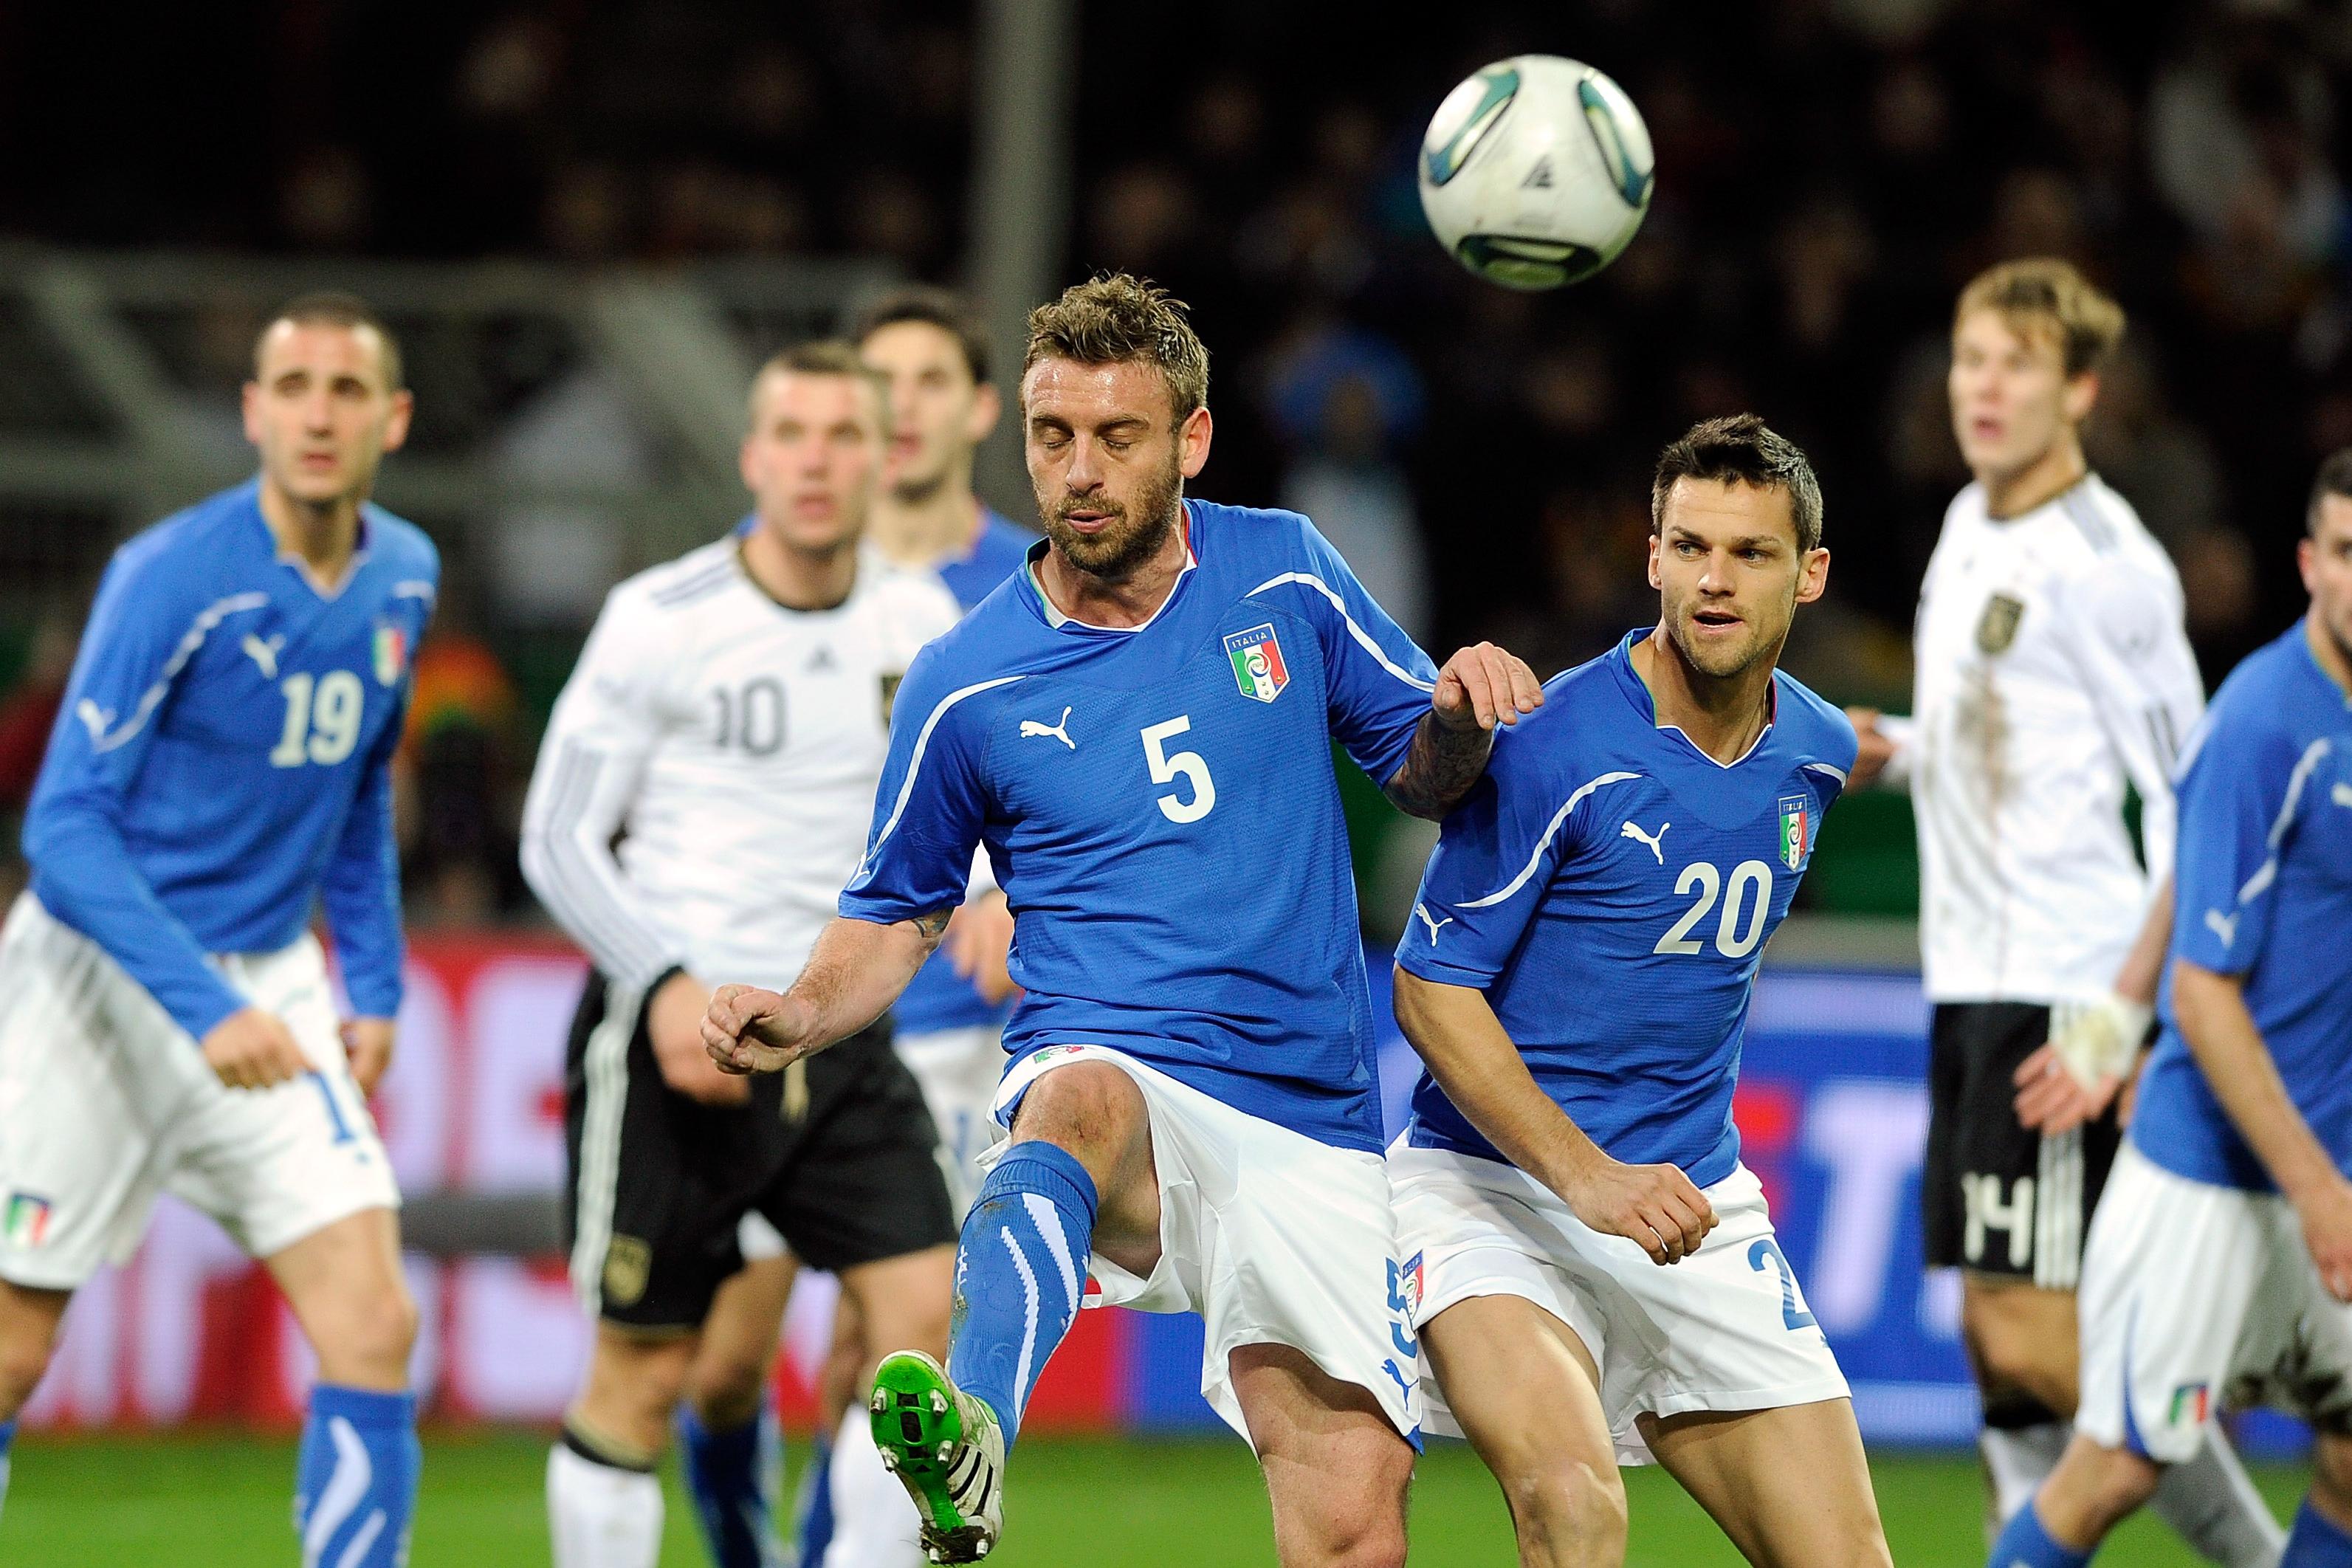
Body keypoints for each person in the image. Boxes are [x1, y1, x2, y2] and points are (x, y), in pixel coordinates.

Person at [702, 272, 1541, 1566]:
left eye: (1116, 436)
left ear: (1190, 440)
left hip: (1307, 1112)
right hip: (1117, 1066)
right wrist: (803, 1009)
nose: (1080, 472)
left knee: (1353, 1524)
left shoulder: (1284, 571)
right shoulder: (963, 677)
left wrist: (1460, 716)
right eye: (1053, 437)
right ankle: (974, 1431)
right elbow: (897, 907)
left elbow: (1420, 777)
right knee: (1077, 1099)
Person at [1387, 416, 1889, 1567]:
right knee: (1574, 1507)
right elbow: (1428, 989)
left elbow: (1828, 758)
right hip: (1492, 1196)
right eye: (1690, 547)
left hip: (1690, 1201)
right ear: (1651, 557)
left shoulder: (1812, 750)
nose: (1714, 580)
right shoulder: (1553, 744)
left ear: (1809, 574)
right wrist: (1585, 1177)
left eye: (1751, 553)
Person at [1847, 258, 2277, 1563]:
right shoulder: (1966, 525)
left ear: (2080, 391)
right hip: (1971, 979)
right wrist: (1898, 749)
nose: (1982, 389)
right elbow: (2008, 737)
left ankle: (2262, 1554)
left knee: (2033, 1336)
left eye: (2016, 366)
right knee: (2004, 1355)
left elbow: (2195, 799)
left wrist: (2117, 1025)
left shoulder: (2109, 567)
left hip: (2063, 984)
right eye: (1970, 359)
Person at [0, 293, 434, 1567]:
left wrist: (376, 985)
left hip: (271, 986)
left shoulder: (406, 572)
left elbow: (359, 783)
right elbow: (62, 827)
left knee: (373, 1325)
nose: (318, 414)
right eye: (293, 387)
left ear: (394, 419)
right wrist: (205, 1007)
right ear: (252, 412)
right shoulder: (173, 574)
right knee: (13, 1349)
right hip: (102, 981)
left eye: (346, 389)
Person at [521, 342, 960, 1568]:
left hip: (838, 1034)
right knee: (650, 1374)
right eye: (793, 436)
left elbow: (961, 816)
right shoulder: (662, 619)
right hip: (681, 1042)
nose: (817, 462)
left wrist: (984, 895)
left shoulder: (921, 623)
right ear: (752, 456)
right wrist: (662, 984)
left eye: (843, 436)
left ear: (881, 460)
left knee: (921, 1330)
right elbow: (555, 836)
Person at [1985, 458, 2352, 1564]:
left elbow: (2192, 882)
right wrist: (2319, 1195)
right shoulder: (2264, 722)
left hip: (2329, 1167)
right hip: (2213, 1177)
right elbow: (2202, 983)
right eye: (2347, 552)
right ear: (2308, 564)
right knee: (2114, 1470)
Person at [781, 286, 1036, 1568]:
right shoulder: (794, 572)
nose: (899, 412)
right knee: (749, 1363)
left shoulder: (1037, 584)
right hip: (832, 1005)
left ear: (979, 408)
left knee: (908, 1332)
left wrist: (1013, 890)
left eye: (929, 382)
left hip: (979, 1026)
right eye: (876, 387)